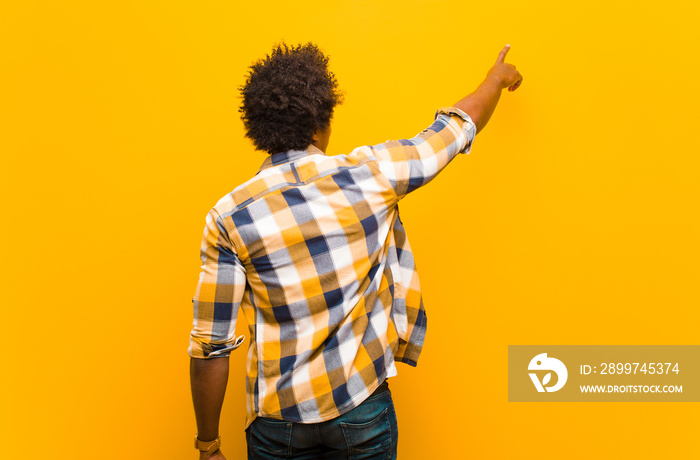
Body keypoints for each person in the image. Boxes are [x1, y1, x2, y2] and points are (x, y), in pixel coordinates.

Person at [189, 42, 523, 460]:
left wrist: (209, 445)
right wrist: (496, 78)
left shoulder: (229, 217)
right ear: (319, 123)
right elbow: (455, 129)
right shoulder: (371, 175)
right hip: (360, 407)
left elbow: (211, 345)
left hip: (278, 422)